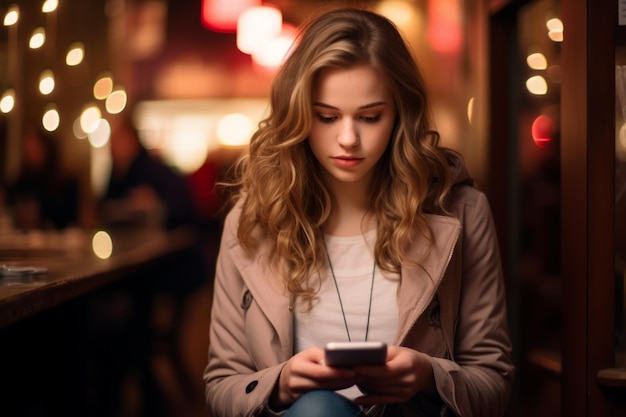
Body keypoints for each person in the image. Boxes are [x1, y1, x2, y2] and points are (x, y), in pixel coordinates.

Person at [204, 7, 514, 417]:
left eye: (370, 117)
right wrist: (279, 385)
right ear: (297, 113)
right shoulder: (251, 221)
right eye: (326, 117)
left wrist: (428, 375)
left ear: (401, 113)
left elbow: (493, 382)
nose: (348, 138)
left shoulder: (461, 211)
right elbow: (222, 386)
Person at [5, 125, 80, 230]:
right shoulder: (22, 181)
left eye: (35, 145)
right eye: (28, 146)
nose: (31, 150)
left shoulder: (63, 183)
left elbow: (69, 223)